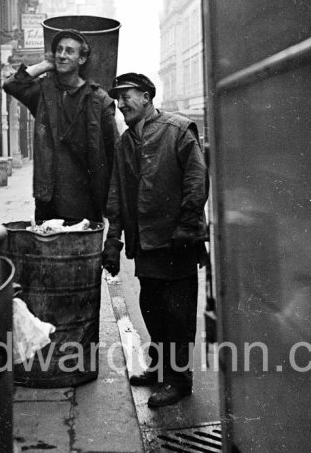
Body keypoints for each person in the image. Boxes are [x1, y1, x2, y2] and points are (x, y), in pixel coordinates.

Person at [102, 73, 209, 408]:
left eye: (126, 97)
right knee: (152, 308)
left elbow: (196, 179)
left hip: (177, 243)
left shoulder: (178, 129)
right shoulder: (125, 143)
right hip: (145, 245)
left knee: (178, 315)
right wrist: (114, 242)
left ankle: (179, 381)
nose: (121, 105)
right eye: (117, 99)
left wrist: (187, 226)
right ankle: (160, 368)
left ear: (147, 96)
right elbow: (117, 194)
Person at [3, 29, 119, 223]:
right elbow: (11, 85)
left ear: (82, 59)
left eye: (69, 51)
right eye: (59, 50)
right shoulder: (43, 91)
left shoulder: (99, 100)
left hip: (86, 200)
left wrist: (112, 207)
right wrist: (46, 65)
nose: (62, 55)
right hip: (48, 199)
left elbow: (114, 153)